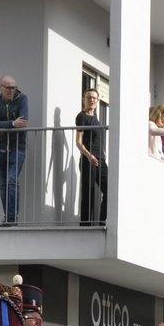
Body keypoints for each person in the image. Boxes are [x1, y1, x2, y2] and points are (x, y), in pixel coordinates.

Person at [0, 75, 29, 226]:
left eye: (14, 87)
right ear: (0, 88)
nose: (12, 91)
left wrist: (4, 126)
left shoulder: (22, 98)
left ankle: (12, 219)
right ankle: (8, 216)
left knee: (12, 181)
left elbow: (23, 122)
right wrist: (12, 123)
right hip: (0, 147)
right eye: (8, 88)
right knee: (2, 183)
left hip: (18, 146)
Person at [75, 87, 107, 226]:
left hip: (100, 159)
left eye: (94, 98)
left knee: (109, 190)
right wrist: (89, 156)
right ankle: (85, 226)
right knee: (88, 193)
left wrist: (102, 153)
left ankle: (101, 222)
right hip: (89, 159)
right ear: (84, 100)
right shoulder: (82, 116)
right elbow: (78, 142)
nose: (92, 100)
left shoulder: (95, 117)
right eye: (89, 97)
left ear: (98, 100)